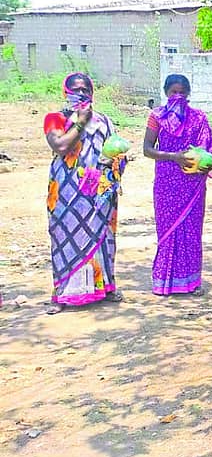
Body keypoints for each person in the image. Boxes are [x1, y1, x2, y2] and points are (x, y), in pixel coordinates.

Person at [44, 73, 127, 314]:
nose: (80, 94)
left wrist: (113, 171)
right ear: (64, 92)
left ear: (92, 93)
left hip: (98, 191)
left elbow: (118, 151)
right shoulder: (55, 118)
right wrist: (80, 121)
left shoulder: (104, 121)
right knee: (65, 240)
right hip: (65, 194)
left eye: (85, 90)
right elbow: (60, 146)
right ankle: (63, 293)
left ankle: (105, 287)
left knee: (102, 239)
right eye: (74, 89)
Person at [143, 74, 212, 296]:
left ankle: (191, 282)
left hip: (192, 184)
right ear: (166, 92)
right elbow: (147, 150)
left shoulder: (199, 118)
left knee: (191, 231)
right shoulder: (157, 116)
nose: (178, 95)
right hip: (166, 182)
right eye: (174, 91)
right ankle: (164, 282)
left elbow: (209, 149)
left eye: (182, 91)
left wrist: (210, 161)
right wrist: (174, 156)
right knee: (167, 230)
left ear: (188, 93)